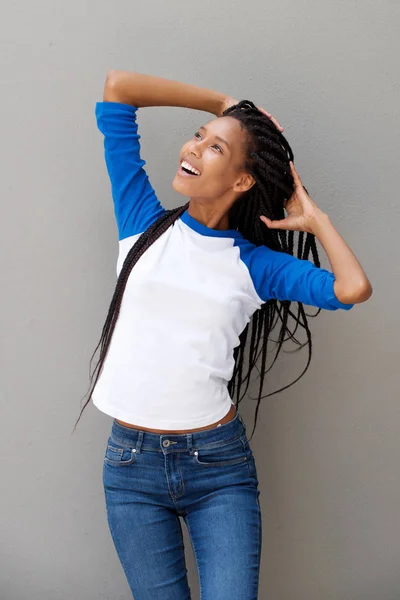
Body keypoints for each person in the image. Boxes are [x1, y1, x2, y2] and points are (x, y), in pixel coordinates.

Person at [73, 71, 372, 599]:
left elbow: (352, 288)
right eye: (199, 135)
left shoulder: (255, 265)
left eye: (216, 148)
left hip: (217, 468)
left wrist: (316, 219)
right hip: (130, 468)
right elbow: (118, 88)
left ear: (241, 181)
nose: (193, 148)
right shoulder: (141, 221)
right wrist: (222, 101)